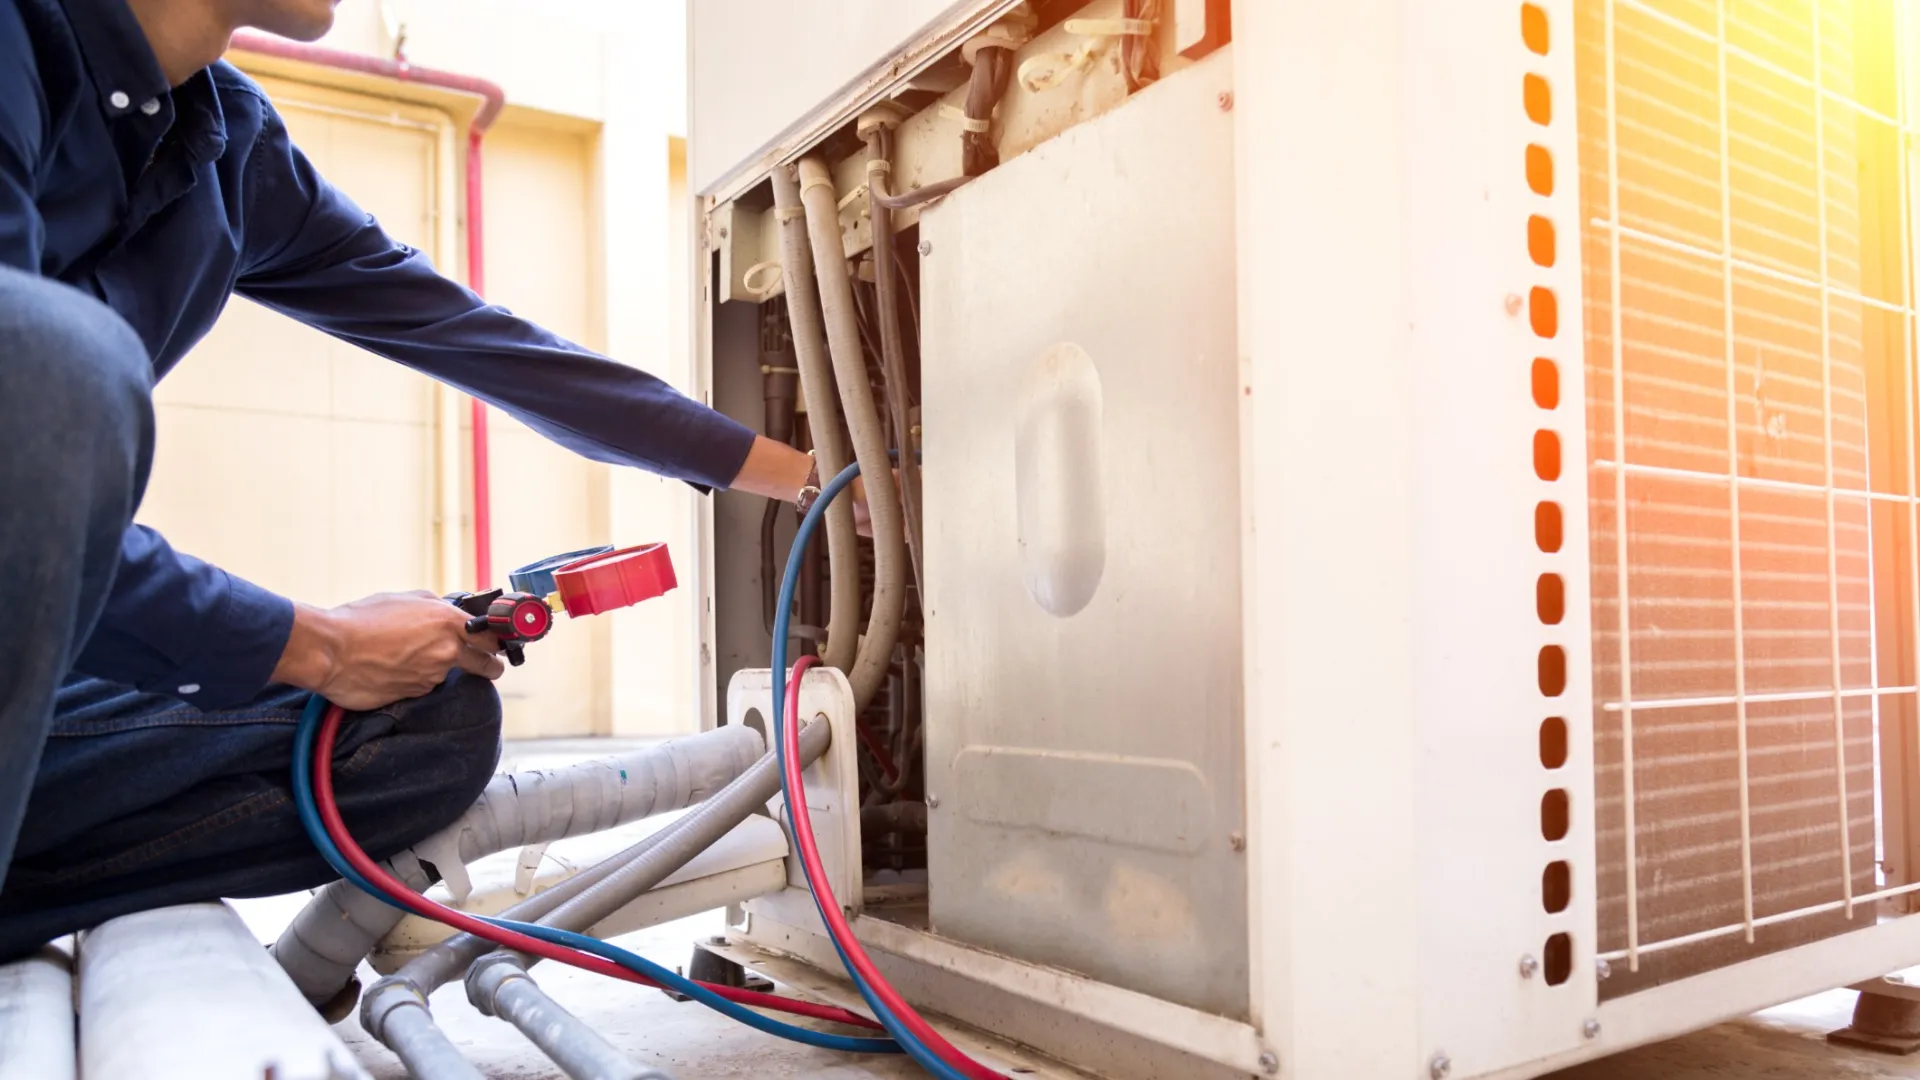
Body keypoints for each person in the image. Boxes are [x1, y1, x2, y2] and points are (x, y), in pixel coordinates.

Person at [0, 0, 848, 959]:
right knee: (59, 359)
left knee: (428, 716)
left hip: (42, 682)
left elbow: (489, 347)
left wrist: (808, 476)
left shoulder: (230, 146)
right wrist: (316, 645)